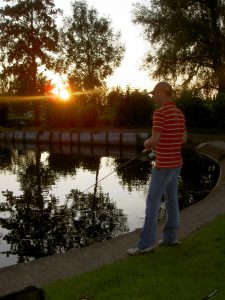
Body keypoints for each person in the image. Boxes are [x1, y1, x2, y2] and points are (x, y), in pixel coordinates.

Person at [127, 81, 187, 255]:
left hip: (163, 166)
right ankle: (170, 238)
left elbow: (154, 140)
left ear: (162, 93)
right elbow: (183, 138)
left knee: (152, 202)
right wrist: (166, 142)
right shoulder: (179, 113)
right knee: (172, 200)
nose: (153, 97)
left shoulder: (160, 113)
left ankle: (145, 244)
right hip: (177, 164)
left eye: (154, 94)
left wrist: (148, 143)